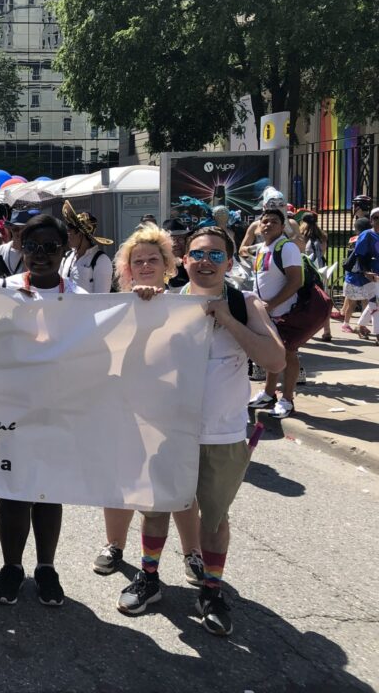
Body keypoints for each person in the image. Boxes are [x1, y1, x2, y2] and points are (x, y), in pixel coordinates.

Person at [116, 225, 285, 636]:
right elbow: (130, 360)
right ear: (184, 261)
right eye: (197, 254)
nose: (205, 262)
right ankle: (150, 578)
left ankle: (211, 590)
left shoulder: (246, 304)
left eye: (214, 255)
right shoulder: (167, 304)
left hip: (222, 434)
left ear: (229, 262)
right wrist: (143, 312)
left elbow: (275, 361)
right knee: (155, 509)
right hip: (169, 431)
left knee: (213, 520)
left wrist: (227, 319)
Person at [92, 225, 204, 583]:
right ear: (127, 268)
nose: (144, 266)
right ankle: (114, 545)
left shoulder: (186, 305)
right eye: (137, 261)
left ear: (168, 264)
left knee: (179, 485)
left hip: (172, 411)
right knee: (122, 479)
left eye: (152, 259)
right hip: (124, 406)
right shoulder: (115, 307)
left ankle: (193, 553)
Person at [0, 214, 84, 606]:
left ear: (65, 251)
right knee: (14, 492)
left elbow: (96, 355)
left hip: (59, 412)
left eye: (50, 247)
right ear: (20, 250)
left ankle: (46, 568)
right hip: (12, 410)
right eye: (32, 247)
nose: (40, 255)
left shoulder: (80, 299)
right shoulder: (3, 290)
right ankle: (12, 567)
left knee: (47, 493)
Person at [247, 209, 304, 419]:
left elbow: (295, 281)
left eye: (273, 222)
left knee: (288, 354)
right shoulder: (263, 247)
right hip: (268, 313)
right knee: (273, 352)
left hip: (284, 313)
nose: (268, 225)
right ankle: (269, 394)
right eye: (264, 222)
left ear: (282, 227)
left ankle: (287, 399)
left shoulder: (286, 247)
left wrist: (271, 304)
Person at [60, 200, 114, 293]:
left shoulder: (101, 260)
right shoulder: (67, 257)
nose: (67, 236)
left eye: (70, 232)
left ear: (80, 234)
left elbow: (102, 298)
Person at [299, 212, 331, 341]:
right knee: (323, 299)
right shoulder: (322, 235)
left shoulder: (300, 236)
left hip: (307, 270)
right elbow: (323, 251)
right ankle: (327, 330)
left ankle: (305, 330)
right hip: (321, 269)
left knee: (304, 300)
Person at [342, 216, 376, 334]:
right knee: (360, 302)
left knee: (359, 302)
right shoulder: (366, 239)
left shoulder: (355, 239)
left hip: (356, 276)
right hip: (358, 276)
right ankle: (348, 324)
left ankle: (359, 325)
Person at [162, 218, 191, 290]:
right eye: (172, 239)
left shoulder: (193, 263)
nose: (176, 244)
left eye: (180, 239)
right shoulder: (156, 263)